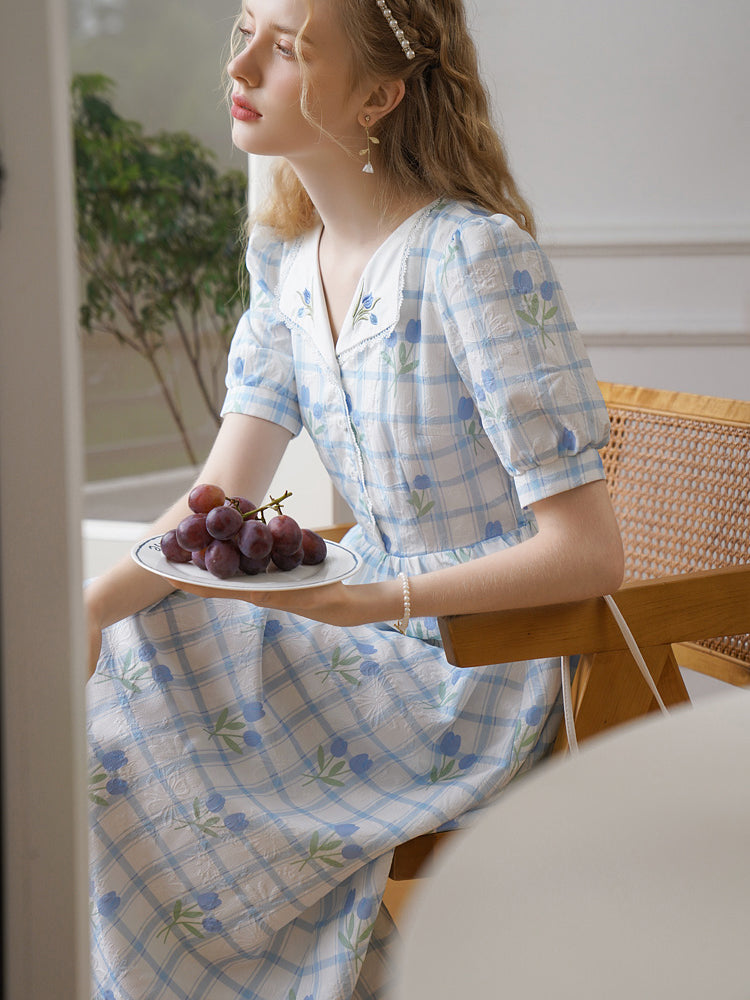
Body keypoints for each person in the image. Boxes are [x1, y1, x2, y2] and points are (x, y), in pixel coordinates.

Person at [86, 0, 624, 997]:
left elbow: (591, 554)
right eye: (242, 29)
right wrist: (85, 609)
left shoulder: (474, 258)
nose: (240, 63)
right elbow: (219, 496)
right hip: (360, 638)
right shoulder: (287, 269)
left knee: (123, 717)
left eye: (285, 47)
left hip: (474, 669)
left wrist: (373, 600)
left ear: (379, 95)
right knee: (126, 653)